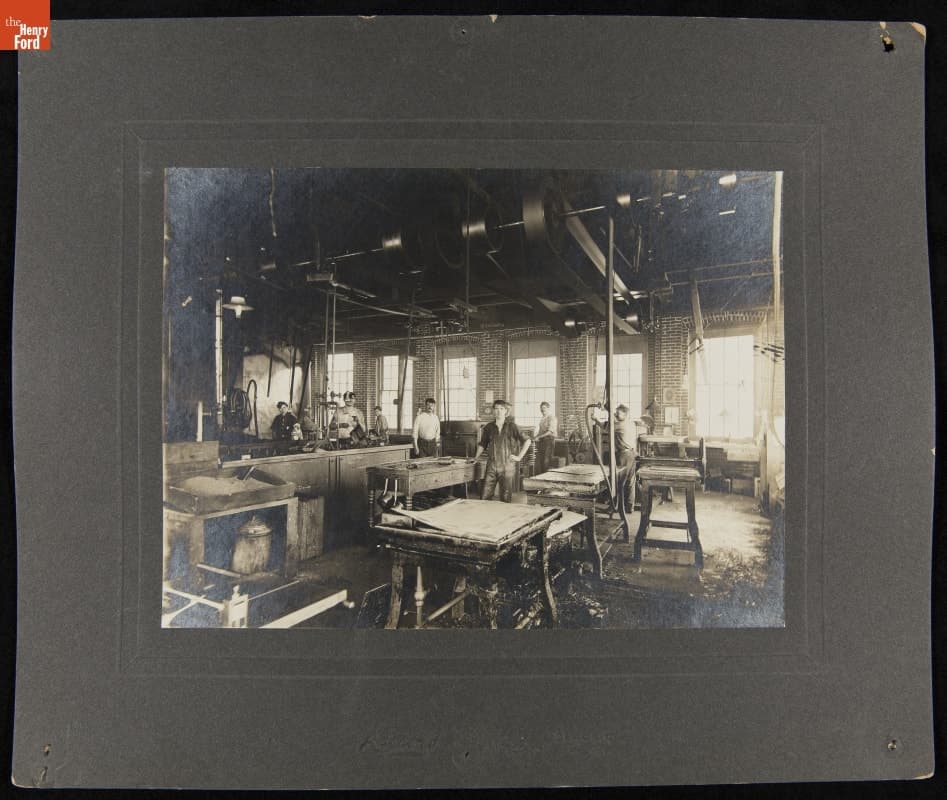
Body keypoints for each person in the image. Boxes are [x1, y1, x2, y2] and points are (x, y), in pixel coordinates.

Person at [475, 399, 532, 502]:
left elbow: (527, 441)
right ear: (493, 411)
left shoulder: (512, 427)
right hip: (491, 465)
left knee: (505, 498)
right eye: (496, 409)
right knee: (484, 496)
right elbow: (482, 444)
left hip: (507, 466)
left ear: (506, 411)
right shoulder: (489, 427)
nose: (498, 411)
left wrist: (519, 457)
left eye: (501, 409)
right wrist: (475, 458)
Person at [534, 401, 558, 475]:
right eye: (541, 408)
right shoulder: (543, 418)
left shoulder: (551, 418)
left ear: (548, 408)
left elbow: (550, 432)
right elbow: (541, 431)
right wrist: (534, 437)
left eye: (544, 408)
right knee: (540, 461)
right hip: (542, 442)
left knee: (546, 461)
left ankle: (546, 477)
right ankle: (541, 477)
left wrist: (539, 437)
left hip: (549, 441)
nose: (542, 410)